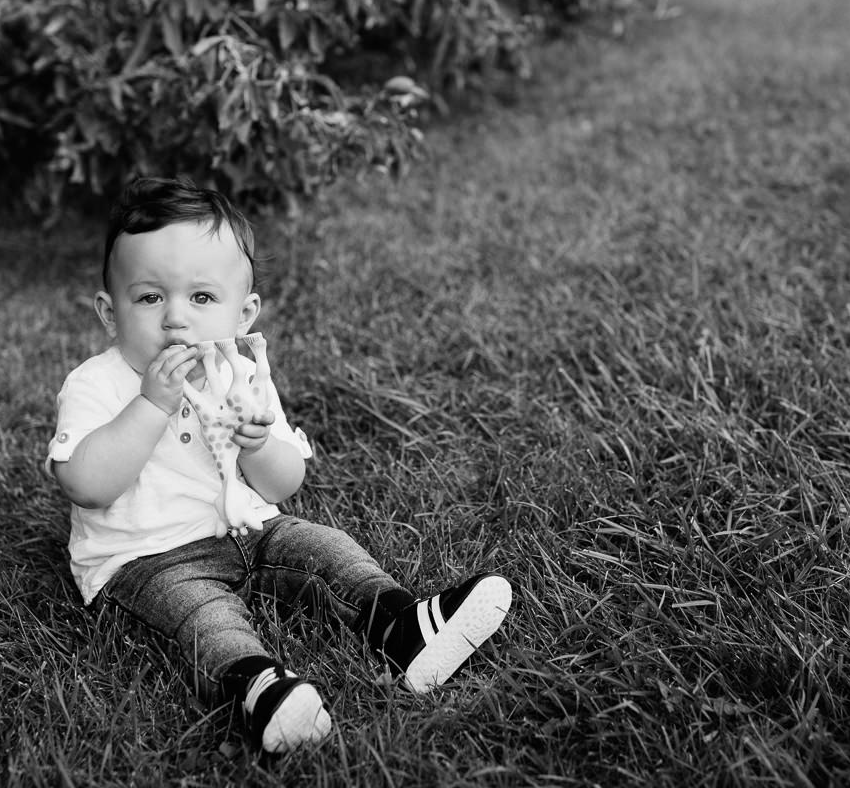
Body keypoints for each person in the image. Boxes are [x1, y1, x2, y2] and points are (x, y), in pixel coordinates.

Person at [47, 176, 511, 753]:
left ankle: (402, 623)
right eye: (148, 298)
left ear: (243, 315)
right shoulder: (99, 383)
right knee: (203, 616)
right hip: (147, 560)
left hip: (250, 531)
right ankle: (258, 687)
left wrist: (260, 447)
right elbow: (85, 485)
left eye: (201, 298)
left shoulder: (242, 375)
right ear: (110, 313)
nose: (174, 319)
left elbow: (285, 482)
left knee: (325, 549)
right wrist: (149, 406)